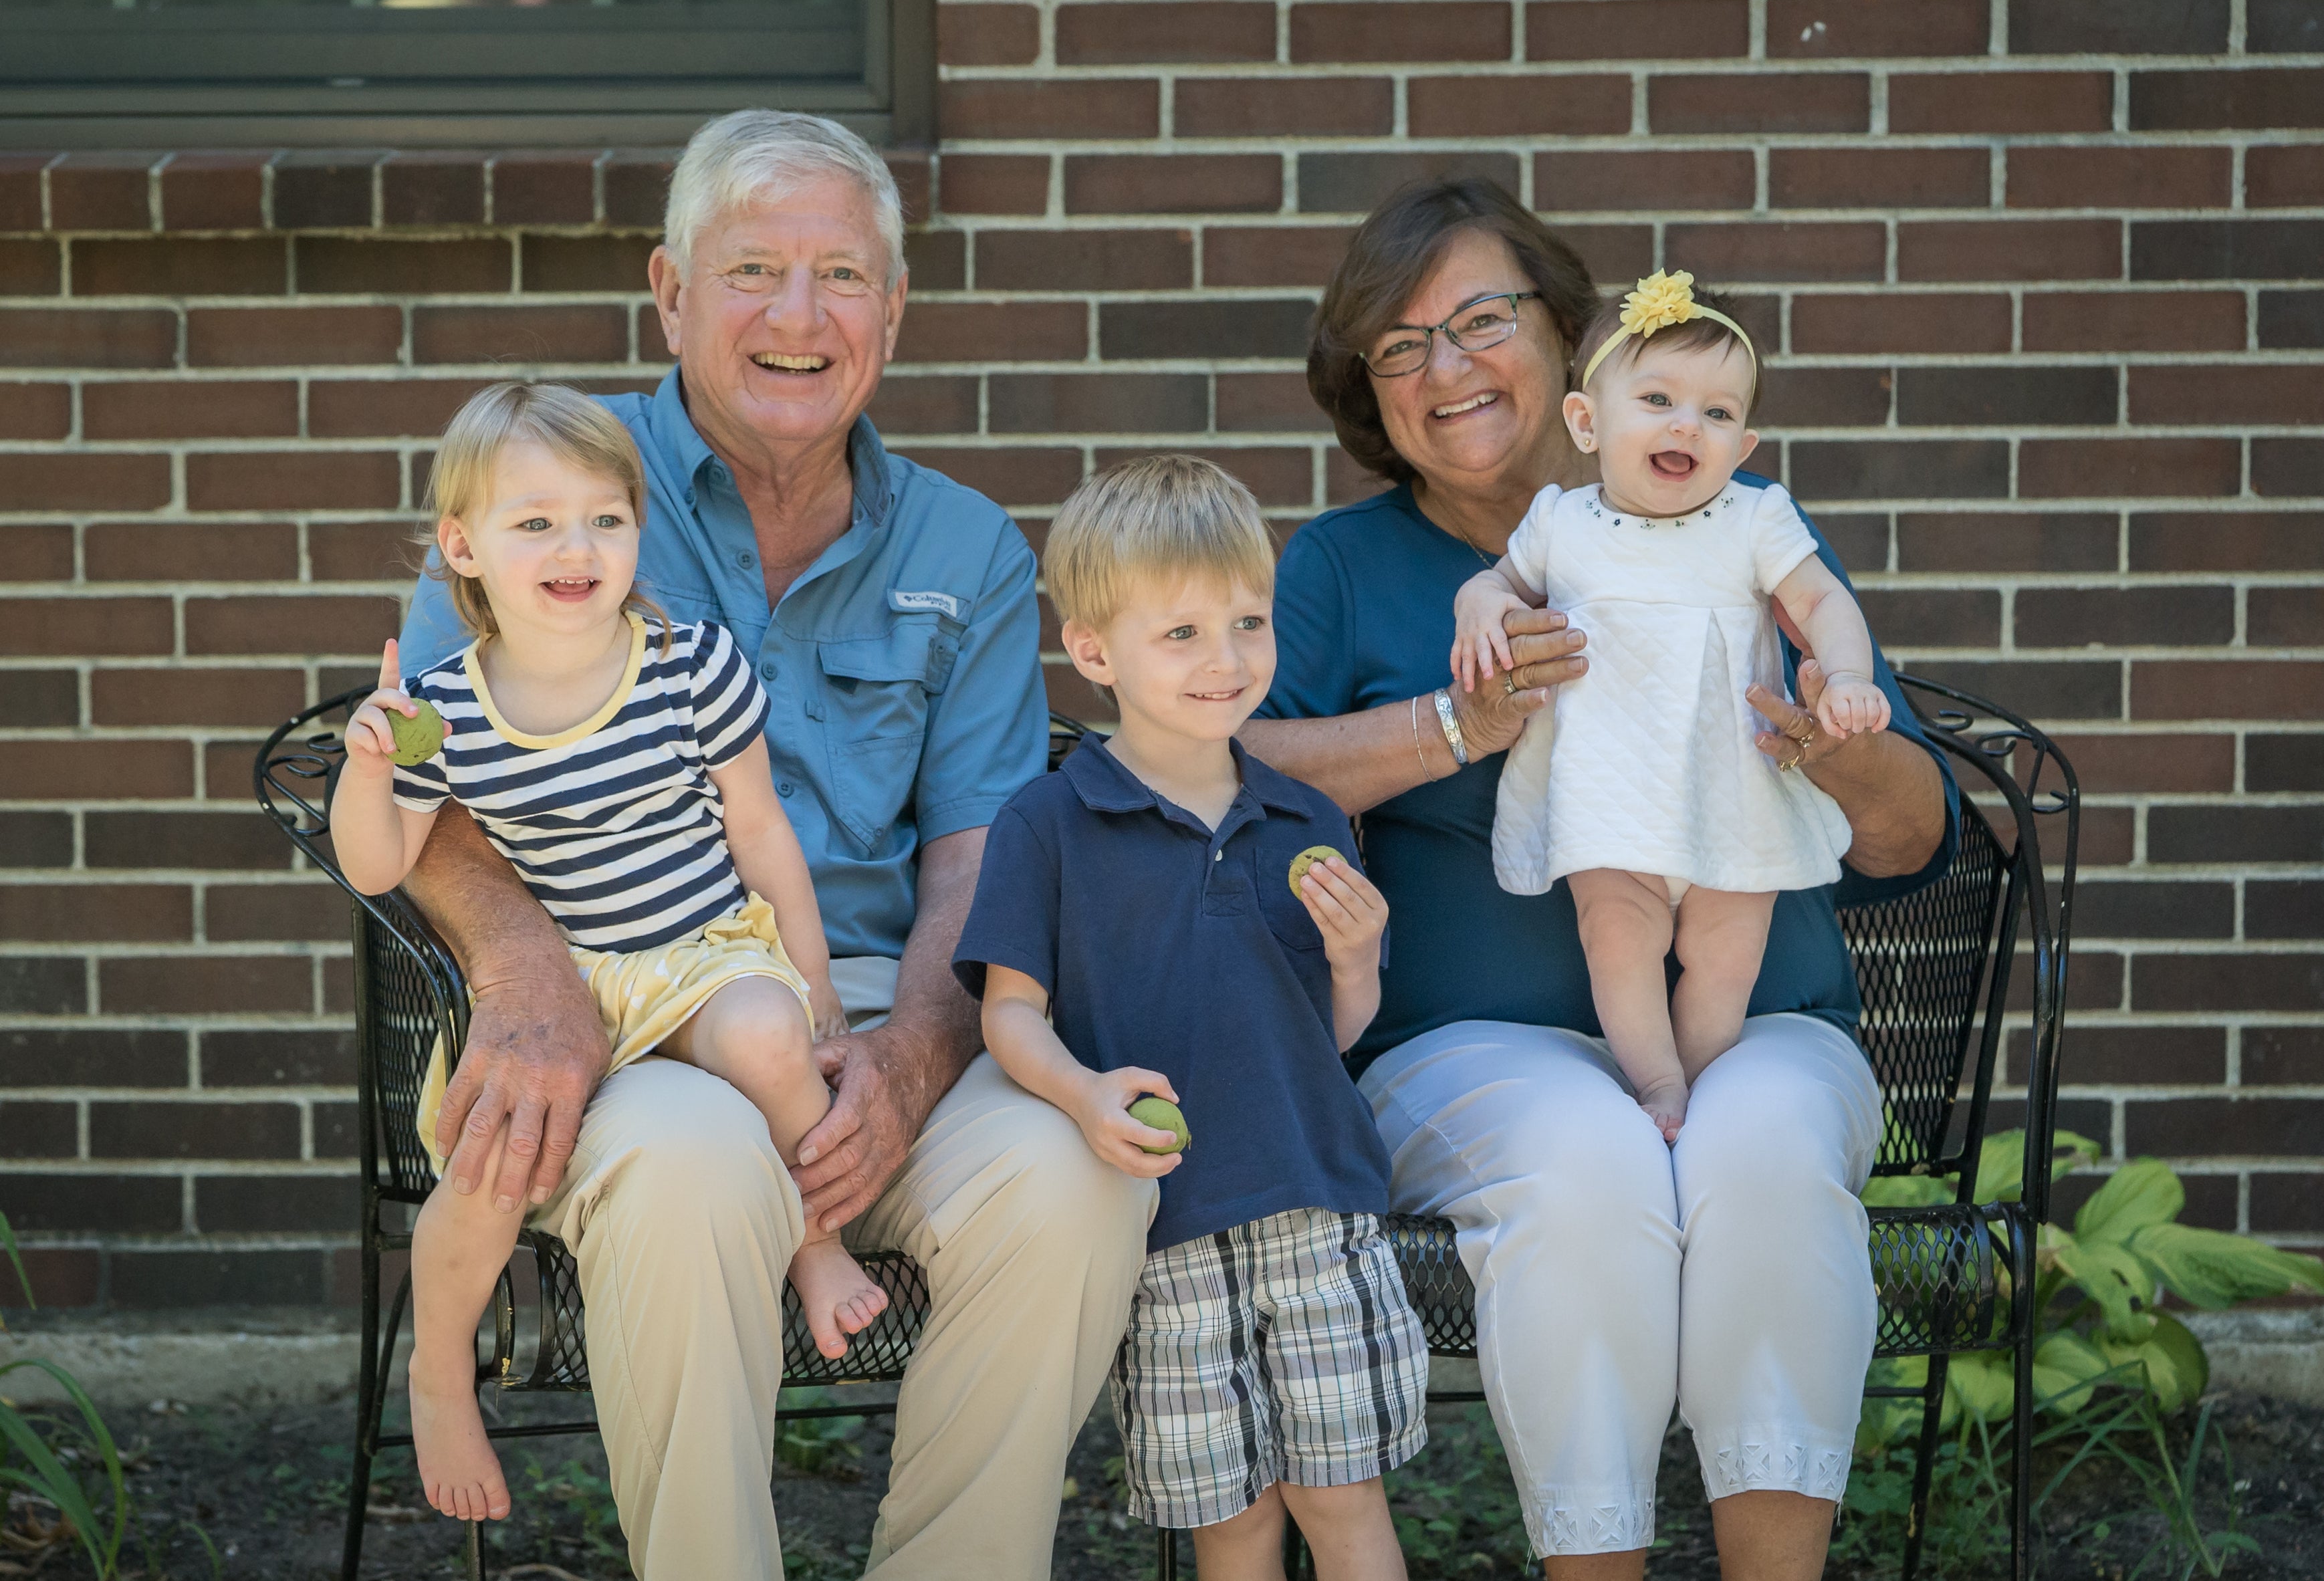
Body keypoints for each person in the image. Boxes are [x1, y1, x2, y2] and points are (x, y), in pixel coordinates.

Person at [392, 110, 1151, 1578]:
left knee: (1070, 1182)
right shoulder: (546, 496)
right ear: (670, 293)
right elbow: (431, 795)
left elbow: (975, 855)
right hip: (612, 1014)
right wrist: (523, 970)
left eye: (841, 278)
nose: (798, 319)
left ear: (894, 310)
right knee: (691, 1175)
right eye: (752, 271)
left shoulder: (970, 552)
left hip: (866, 1004)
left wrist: (918, 1051)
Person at [1240, 178, 1960, 1580]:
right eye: (1398, 347)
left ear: (1568, 343)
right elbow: (1233, 773)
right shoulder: (1342, 567)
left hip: (1757, 1022)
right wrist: (1452, 725)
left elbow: (1912, 834)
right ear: (1367, 393)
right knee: (1584, 1164)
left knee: (1757, 1150)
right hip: (1464, 1054)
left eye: (1479, 320)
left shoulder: (1743, 529)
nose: (1444, 369)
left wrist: (1824, 742)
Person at [332, 383, 891, 1523]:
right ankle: (441, 1375)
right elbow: (382, 865)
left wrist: (815, 976)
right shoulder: (452, 708)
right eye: (534, 522)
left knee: (771, 1038)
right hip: (568, 998)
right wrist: (369, 765)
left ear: (641, 531)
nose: (575, 547)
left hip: (696, 954)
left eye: (605, 517)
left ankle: (814, 1244)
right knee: (493, 1177)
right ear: (463, 548)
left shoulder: (687, 665)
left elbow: (759, 828)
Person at [954, 457, 1425, 1581]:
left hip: (1317, 1202)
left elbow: (1337, 1029)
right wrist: (1081, 1094)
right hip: (1160, 1225)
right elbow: (1011, 1017)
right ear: (1095, 652)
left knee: (1344, 1504)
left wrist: (1356, 956)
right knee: (1234, 1524)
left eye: (1249, 624)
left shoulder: (1300, 812)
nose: (1227, 662)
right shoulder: (1050, 821)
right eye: (1183, 636)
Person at [1449, 271, 1891, 1141]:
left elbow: (1825, 605)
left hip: (1736, 787)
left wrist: (1844, 676)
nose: (1687, 424)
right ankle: (1657, 1084)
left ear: (1744, 442)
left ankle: (1699, 1081)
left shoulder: (1756, 520)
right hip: (1608, 790)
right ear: (1588, 423)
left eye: (1717, 414)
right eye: (1657, 399)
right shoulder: (1561, 523)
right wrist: (1480, 604)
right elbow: (1500, 581)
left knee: (1726, 959)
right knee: (1617, 936)